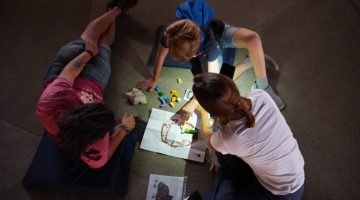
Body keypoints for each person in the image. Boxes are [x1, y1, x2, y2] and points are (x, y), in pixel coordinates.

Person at [136, 0, 285, 122]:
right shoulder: (171, 34)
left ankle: (262, 84)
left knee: (251, 42)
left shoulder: (209, 44)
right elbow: (161, 54)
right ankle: (251, 61)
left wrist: (193, 103)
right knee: (212, 79)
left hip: (220, 32)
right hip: (200, 45)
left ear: (197, 50)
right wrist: (154, 79)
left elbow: (215, 84)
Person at [37, 1, 137, 169]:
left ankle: (116, 9)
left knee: (89, 38)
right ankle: (116, 9)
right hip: (94, 81)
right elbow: (105, 156)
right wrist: (124, 130)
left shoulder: (49, 103)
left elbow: (68, 72)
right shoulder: (94, 150)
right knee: (105, 45)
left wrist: (89, 52)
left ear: (78, 108)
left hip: (61, 73)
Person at [192, 73, 304, 199]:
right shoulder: (260, 95)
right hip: (296, 175)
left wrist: (202, 113)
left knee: (218, 149)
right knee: (223, 147)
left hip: (279, 194)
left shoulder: (232, 137)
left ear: (212, 112)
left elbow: (208, 138)